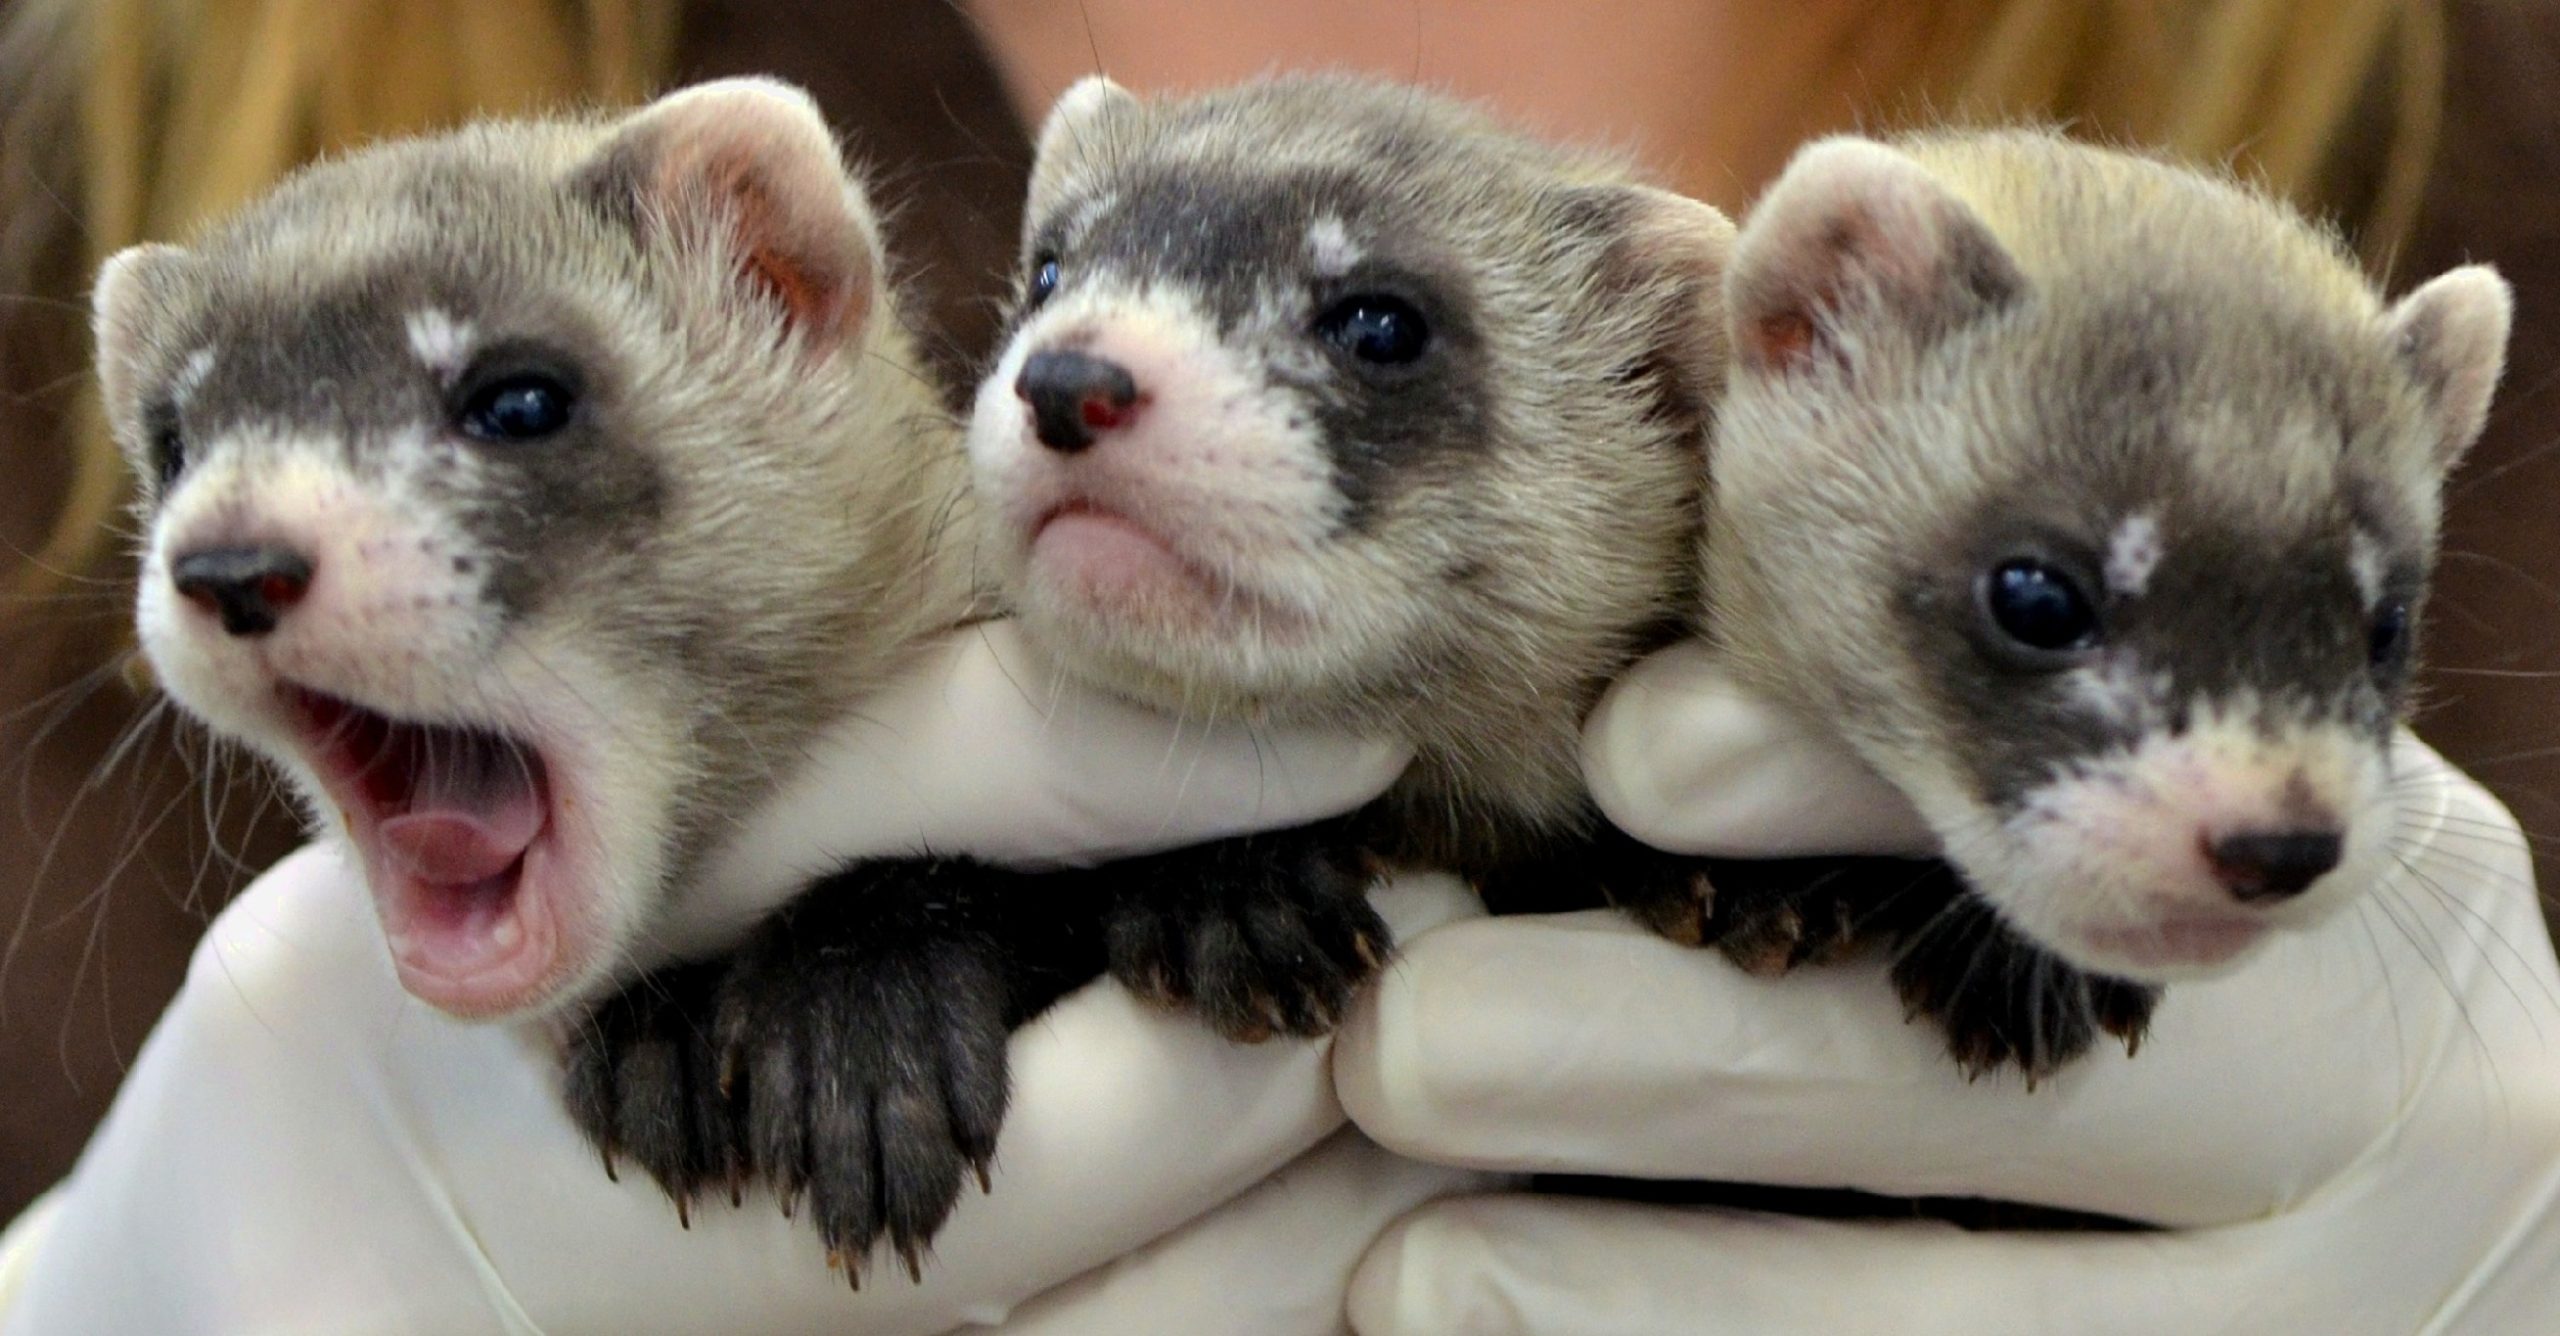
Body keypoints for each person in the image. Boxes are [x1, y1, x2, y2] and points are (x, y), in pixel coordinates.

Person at [3, 0, 2555, 1330]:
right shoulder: (80, 152)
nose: (1078, 368)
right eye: (1051, 288)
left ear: (1700, 381)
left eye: (1371, 335)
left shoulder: (2480, 119)